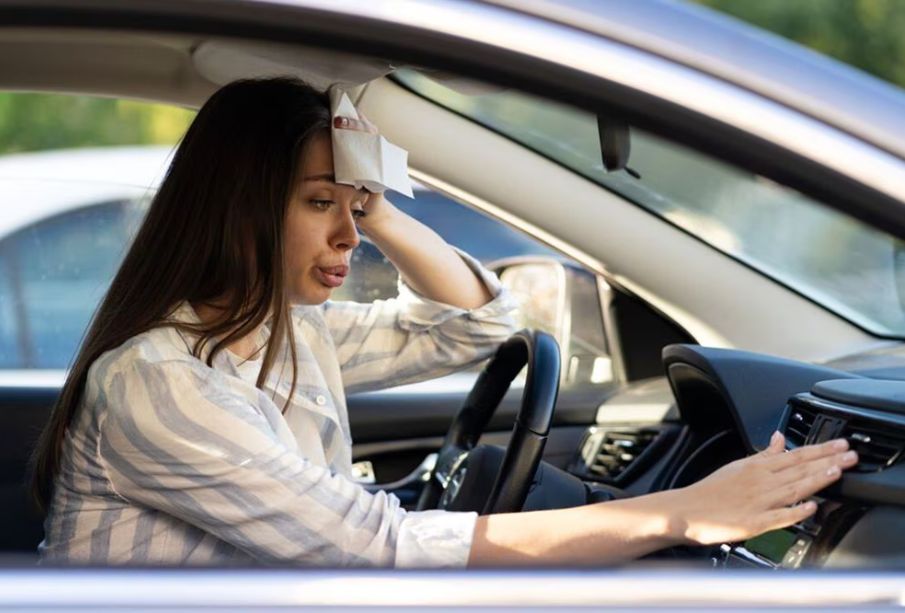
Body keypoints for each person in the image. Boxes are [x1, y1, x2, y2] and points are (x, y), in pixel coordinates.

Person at [31, 77, 858, 568]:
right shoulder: (160, 380)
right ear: (237, 209)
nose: (348, 236)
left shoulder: (284, 332)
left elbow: (471, 325)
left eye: (354, 207)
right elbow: (371, 547)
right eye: (321, 203)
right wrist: (679, 513)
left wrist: (377, 203)